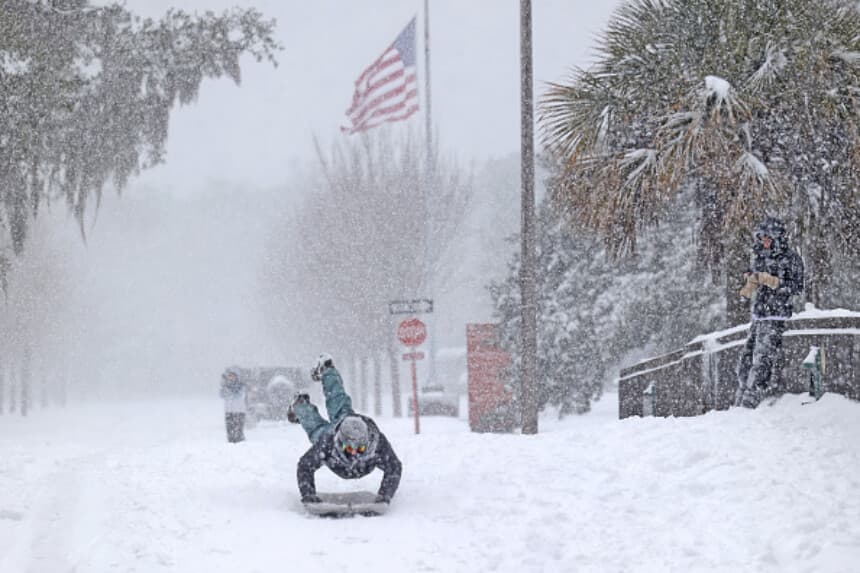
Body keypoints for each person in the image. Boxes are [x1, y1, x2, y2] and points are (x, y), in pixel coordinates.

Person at [287, 353, 402, 505]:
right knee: (317, 427)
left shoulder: (378, 443)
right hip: (336, 429)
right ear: (340, 442)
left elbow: (394, 467)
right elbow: (304, 466)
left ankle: (326, 372)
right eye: (349, 448)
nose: (354, 453)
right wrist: (308, 494)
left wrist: (385, 495)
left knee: (338, 402)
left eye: (360, 448)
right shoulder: (327, 443)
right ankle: (300, 405)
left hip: (351, 421)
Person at [736, 217, 804, 408]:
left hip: (777, 314)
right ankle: (741, 396)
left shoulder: (791, 258)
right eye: (762, 238)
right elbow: (754, 276)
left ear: (778, 237)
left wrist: (775, 282)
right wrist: (751, 278)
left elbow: (797, 287)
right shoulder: (760, 257)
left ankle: (751, 400)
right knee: (746, 359)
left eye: (768, 238)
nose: (764, 241)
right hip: (759, 314)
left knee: (762, 358)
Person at [220, 366, 247, 443]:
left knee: (238, 428)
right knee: (229, 428)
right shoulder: (225, 387)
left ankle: (240, 440)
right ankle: (231, 440)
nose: (231, 378)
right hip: (229, 411)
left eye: (233, 376)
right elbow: (222, 395)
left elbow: (240, 394)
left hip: (239, 411)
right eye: (230, 376)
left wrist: (229, 390)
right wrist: (224, 385)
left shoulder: (241, 386)